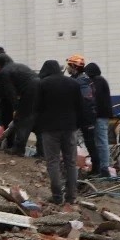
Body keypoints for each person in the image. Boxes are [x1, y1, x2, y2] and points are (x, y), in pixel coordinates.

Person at [35, 60, 87, 204]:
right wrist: (78, 125)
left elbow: (37, 107)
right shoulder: (73, 84)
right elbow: (80, 107)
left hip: (49, 129)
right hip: (70, 128)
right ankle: (71, 197)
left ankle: (57, 197)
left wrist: (39, 127)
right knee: (71, 162)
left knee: (53, 162)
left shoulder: (42, 84)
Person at [0, 52, 40, 155]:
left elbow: (10, 92)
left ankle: (18, 149)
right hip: (39, 89)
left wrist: (16, 108)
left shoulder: (4, 72)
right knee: (36, 120)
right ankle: (41, 151)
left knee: (22, 119)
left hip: (29, 91)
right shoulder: (18, 66)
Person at [66, 55, 101, 176]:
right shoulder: (79, 80)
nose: (67, 68)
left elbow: (86, 101)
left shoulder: (81, 81)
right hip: (83, 116)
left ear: (74, 67)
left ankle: (97, 168)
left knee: (90, 143)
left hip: (85, 117)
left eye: (69, 65)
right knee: (87, 142)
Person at [86, 62, 114, 176]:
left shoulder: (97, 81)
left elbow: (95, 99)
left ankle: (104, 168)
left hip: (99, 116)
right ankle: (103, 167)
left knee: (101, 141)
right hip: (102, 115)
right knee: (100, 141)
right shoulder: (101, 80)